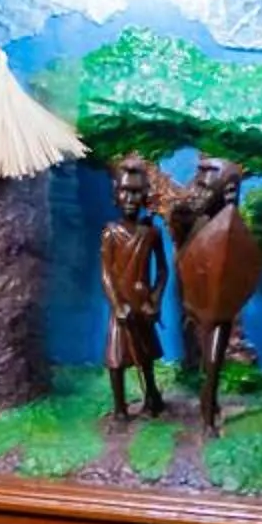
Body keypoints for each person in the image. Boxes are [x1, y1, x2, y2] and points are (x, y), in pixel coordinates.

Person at [100, 157, 168, 420]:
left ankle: (152, 397)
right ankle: (120, 409)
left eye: (136, 192)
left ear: (145, 195)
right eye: (124, 191)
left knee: (145, 355)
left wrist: (156, 300)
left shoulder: (151, 233)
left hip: (143, 304)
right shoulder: (110, 233)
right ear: (115, 194)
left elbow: (162, 271)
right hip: (122, 307)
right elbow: (106, 274)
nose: (130, 198)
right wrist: (117, 306)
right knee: (116, 360)